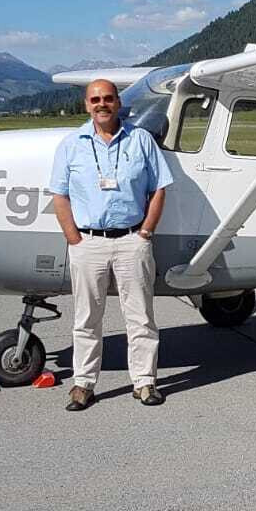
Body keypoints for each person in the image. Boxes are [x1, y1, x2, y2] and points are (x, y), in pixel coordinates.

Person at [46, 79, 173, 411]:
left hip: (132, 240)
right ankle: (83, 384)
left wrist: (145, 232)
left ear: (118, 102)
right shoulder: (72, 144)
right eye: (95, 99)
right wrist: (73, 238)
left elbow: (159, 188)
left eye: (108, 98)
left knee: (141, 316)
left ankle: (145, 382)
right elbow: (60, 195)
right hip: (89, 243)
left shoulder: (141, 140)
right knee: (87, 318)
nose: (102, 104)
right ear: (87, 105)